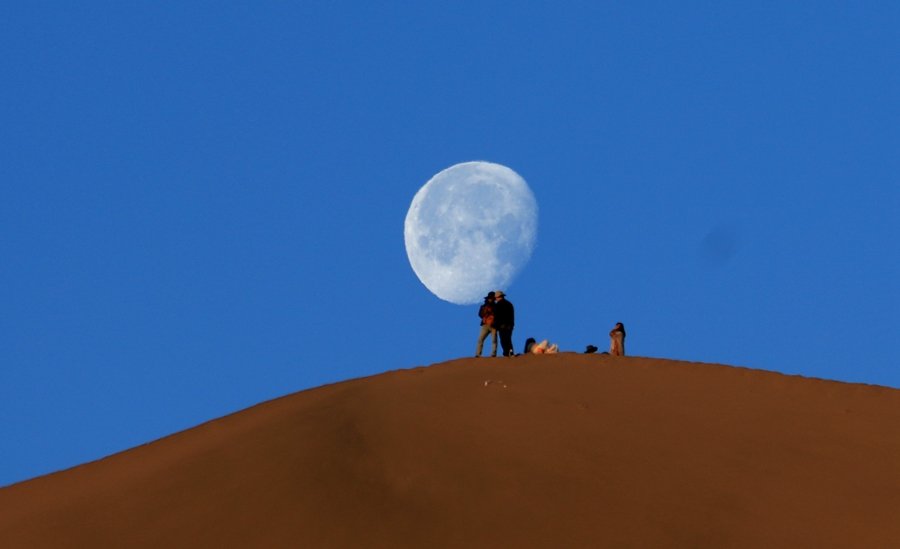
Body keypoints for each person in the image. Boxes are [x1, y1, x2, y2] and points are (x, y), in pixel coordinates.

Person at [493, 290, 515, 357]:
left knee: (503, 340)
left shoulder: (498, 305)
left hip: (502, 326)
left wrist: (496, 326)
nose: (495, 299)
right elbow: (512, 315)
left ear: (498, 297)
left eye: (496, 298)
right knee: (508, 339)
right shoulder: (509, 304)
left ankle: (506, 353)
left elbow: (497, 316)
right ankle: (511, 352)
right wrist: (512, 324)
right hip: (509, 325)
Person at [475, 292, 497, 357]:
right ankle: (478, 354)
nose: (490, 300)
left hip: (493, 325)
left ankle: (493, 354)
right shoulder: (484, 306)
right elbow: (480, 314)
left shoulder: (496, 306)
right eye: (490, 298)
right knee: (480, 339)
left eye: (491, 298)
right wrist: (486, 315)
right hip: (485, 325)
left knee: (494, 340)